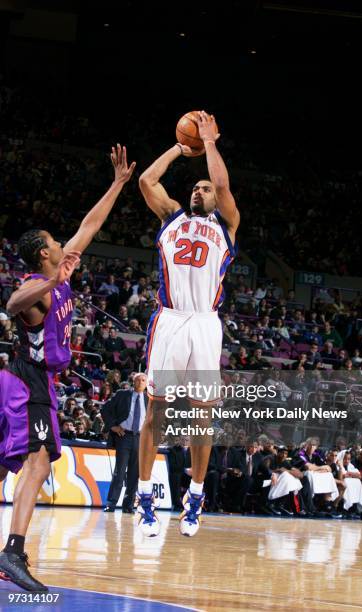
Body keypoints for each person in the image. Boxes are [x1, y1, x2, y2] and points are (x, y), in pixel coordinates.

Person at [0, 144, 136, 591]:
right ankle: (13, 554)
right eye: (56, 244)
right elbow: (11, 302)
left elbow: (89, 226)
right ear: (43, 254)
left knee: (8, 467)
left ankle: (10, 553)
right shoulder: (38, 286)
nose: (64, 244)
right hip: (26, 381)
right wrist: (48, 281)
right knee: (37, 464)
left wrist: (117, 184)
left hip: (25, 381)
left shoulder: (62, 272)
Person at [137, 111, 240, 537]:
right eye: (194, 187)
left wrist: (210, 143)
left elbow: (222, 185)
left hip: (204, 323)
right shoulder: (172, 217)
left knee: (202, 417)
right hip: (171, 319)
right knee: (156, 411)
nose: (199, 190)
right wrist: (181, 149)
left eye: (204, 188)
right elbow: (146, 181)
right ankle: (144, 498)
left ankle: (195, 497)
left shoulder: (227, 224)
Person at [101, 373, 147, 513]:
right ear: (133, 382)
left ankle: (128, 505)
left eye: (143, 380)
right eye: (137, 380)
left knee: (135, 474)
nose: (140, 382)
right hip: (124, 436)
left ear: (147, 384)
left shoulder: (149, 400)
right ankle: (111, 503)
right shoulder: (122, 395)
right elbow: (105, 409)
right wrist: (113, 426)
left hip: (140, 438)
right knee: (119, 472)